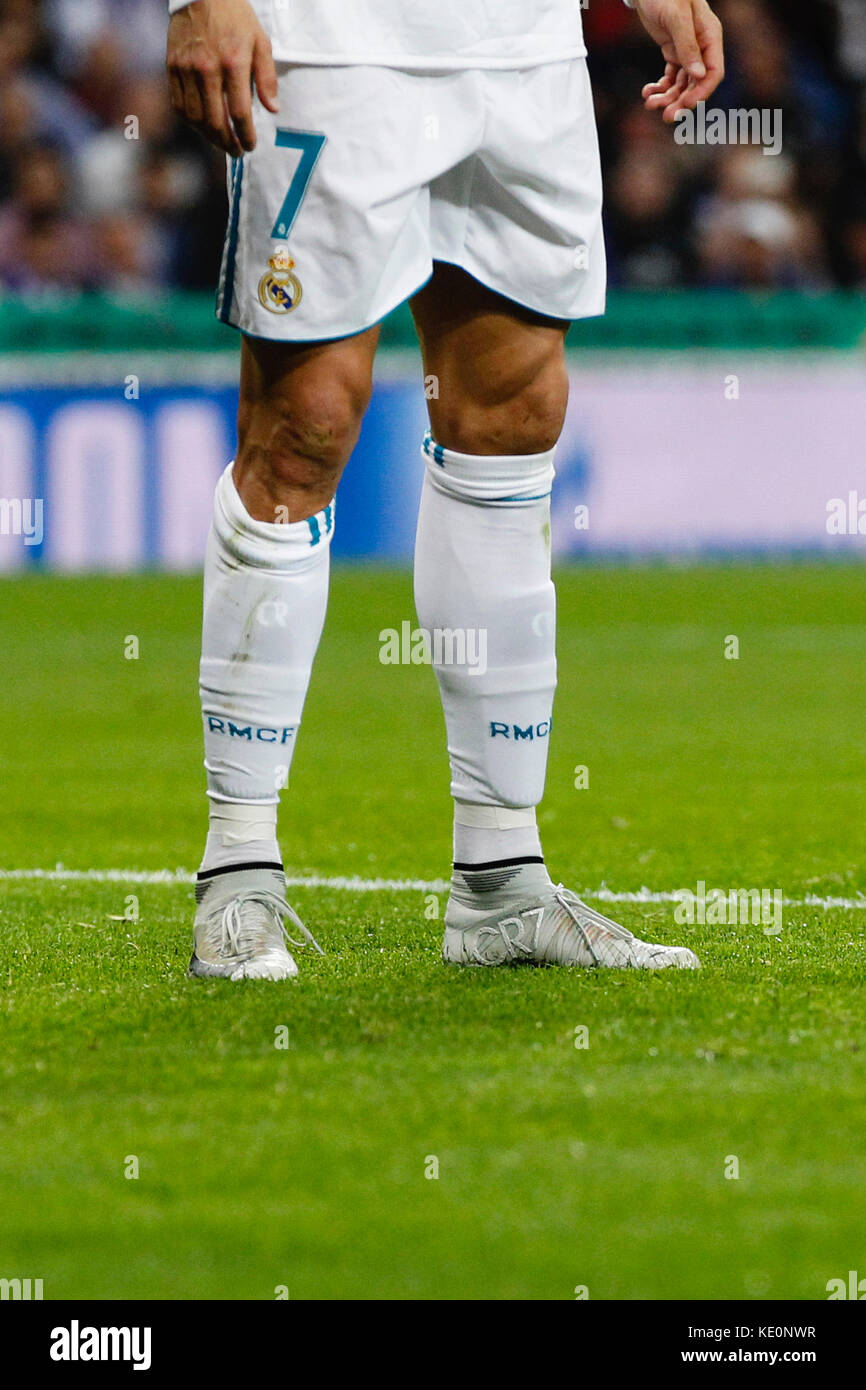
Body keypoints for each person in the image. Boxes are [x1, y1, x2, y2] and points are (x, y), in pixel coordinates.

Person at [165, 0, 724, 980]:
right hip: (327, 44)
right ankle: (238, 869)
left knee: (510, 417)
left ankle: (499, 882)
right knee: (305, 425)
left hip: (520, 52)